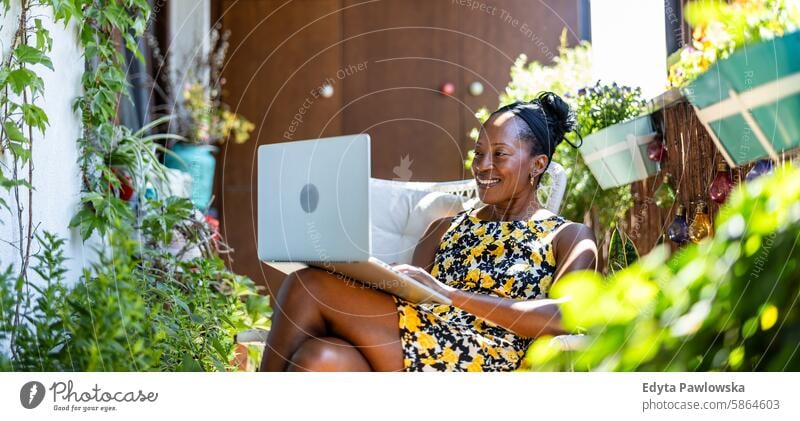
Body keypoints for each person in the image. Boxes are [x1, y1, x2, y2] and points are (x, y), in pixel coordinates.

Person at [260, 91, 598, 372]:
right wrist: (366, 272)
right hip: (418, 336)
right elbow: (406, 294)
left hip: (485, 358)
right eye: (478, 153)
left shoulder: (568, 236)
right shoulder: (447, 226)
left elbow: (566, 314)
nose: (482, 166)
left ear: (537, 165)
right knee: (320, 359)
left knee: (308, 286)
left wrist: (450, 295)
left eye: (500, 155)